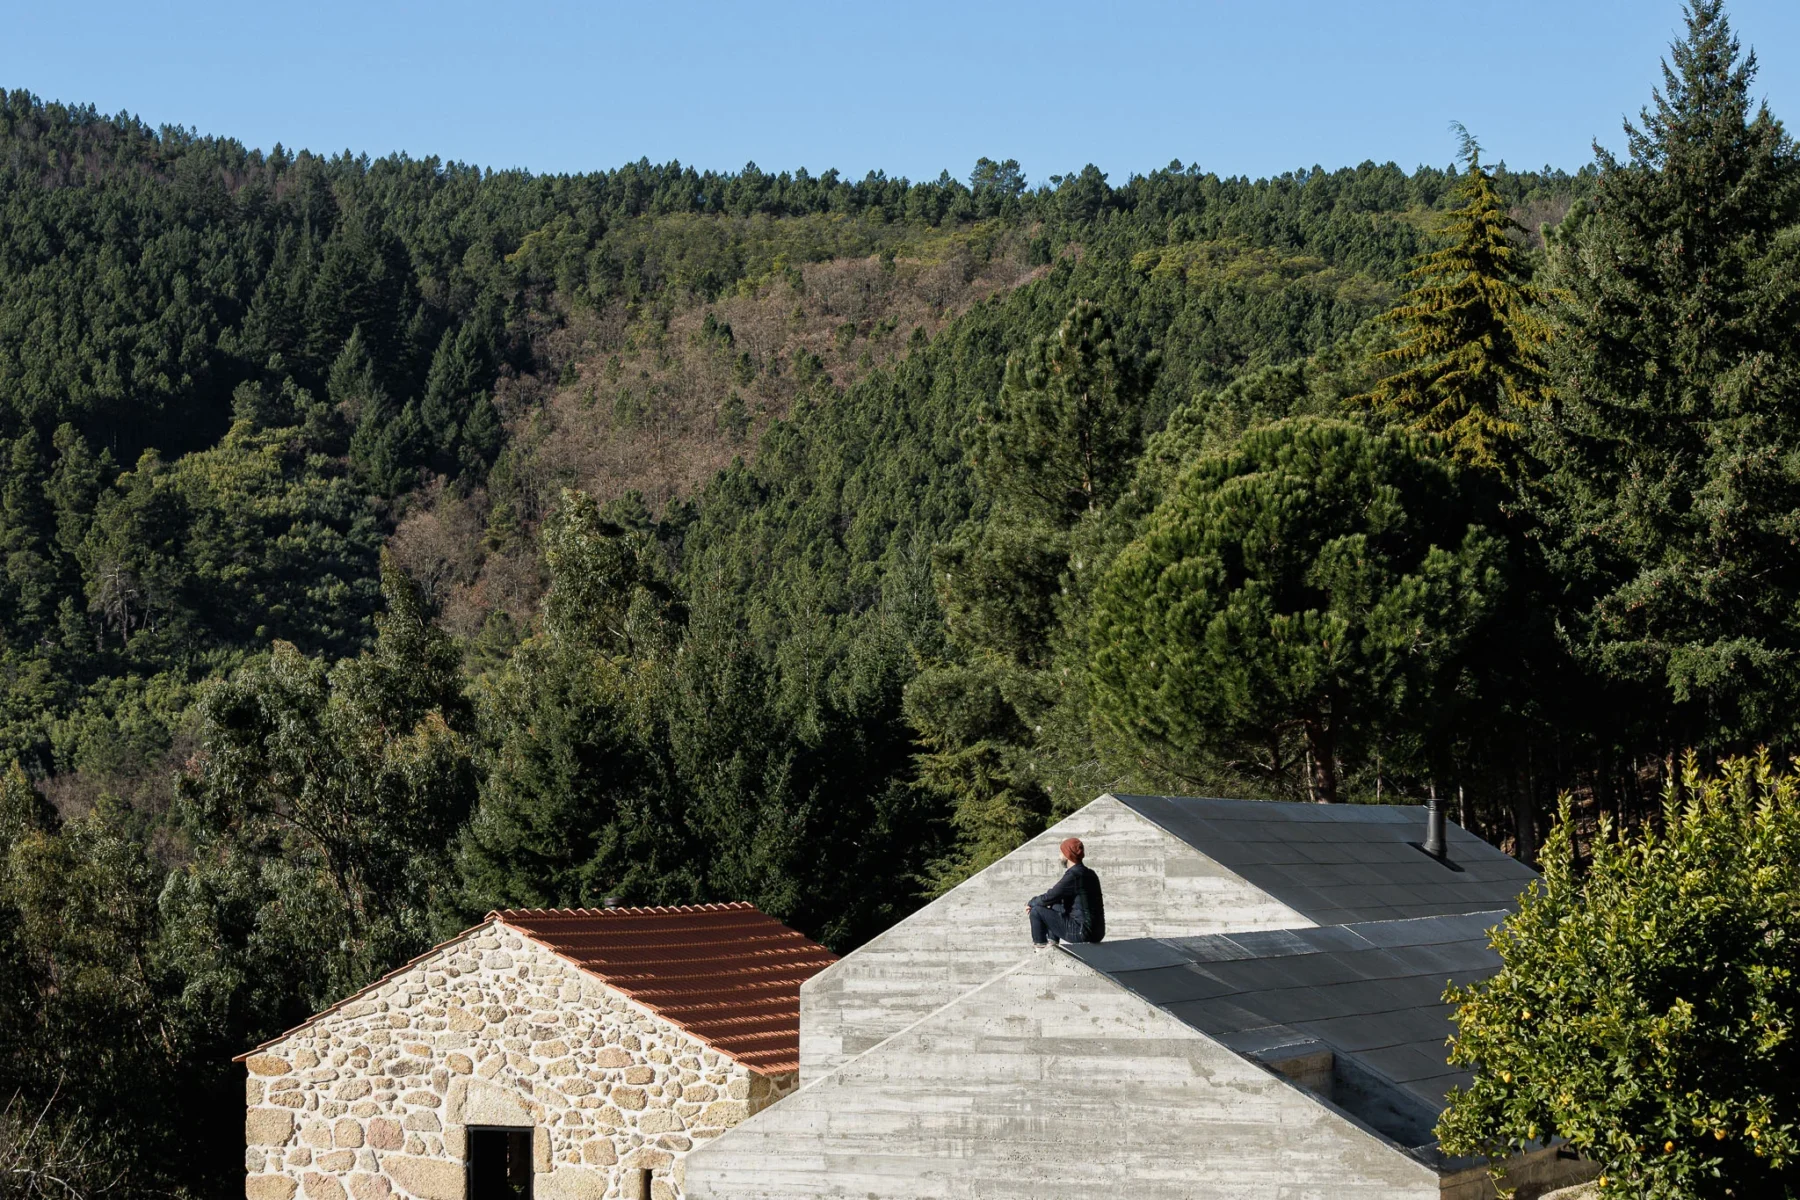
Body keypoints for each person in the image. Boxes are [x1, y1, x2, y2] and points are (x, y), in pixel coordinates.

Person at [1026, 837, 1105, 946]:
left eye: (1061, 853)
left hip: (1082, 932)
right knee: (1055, 906)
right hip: (1098, 932)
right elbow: (1055, 899)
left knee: (1036, 911)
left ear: (1067, 855)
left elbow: (1049, 896)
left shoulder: (1074, 875)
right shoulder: (1091, 873)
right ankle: (1052, 944)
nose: (1059, 856)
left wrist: (1031, 903)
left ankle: (1041, 949)